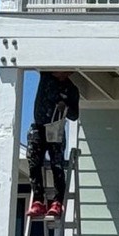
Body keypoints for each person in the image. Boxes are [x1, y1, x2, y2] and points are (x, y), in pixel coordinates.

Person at [26, 70, 80, 218]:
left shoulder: (71, 90)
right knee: (34, 162)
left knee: (57, 164)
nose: (59, 73)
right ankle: (38, 201)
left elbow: (75, 115)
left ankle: (57, 202)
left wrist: (66, 108)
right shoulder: (46, 77)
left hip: (56, 127)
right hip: (39, 126)